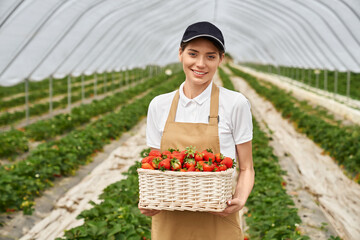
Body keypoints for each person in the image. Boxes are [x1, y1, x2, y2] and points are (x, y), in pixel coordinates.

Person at [140, 21, 254, 240]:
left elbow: (247, 167)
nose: (200, 64)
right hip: (170, 220)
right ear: (180, 53)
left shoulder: (235, 103)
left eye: (210, 56)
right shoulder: (159, 105)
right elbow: (155, 166)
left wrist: (240, 198)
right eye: (193, 54)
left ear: (221, 60)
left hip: (218, 218)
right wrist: (149, 201)